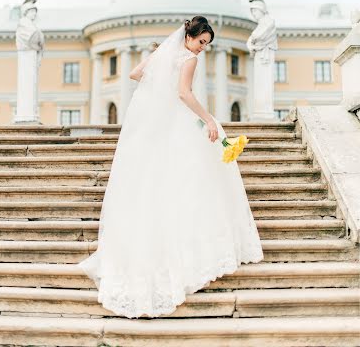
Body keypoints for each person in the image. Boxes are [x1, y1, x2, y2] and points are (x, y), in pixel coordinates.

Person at [77, 16, 263, 318]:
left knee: (159, 181)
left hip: (157, 125)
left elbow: (136, 73)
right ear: (190, 36)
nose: (203, 48)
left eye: (206, 45)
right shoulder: (188, 58)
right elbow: (184, 94)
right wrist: (210, 119)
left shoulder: (165, 53)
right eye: (202, 41)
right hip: (178, 120)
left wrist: (159, 80)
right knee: (194, 179)